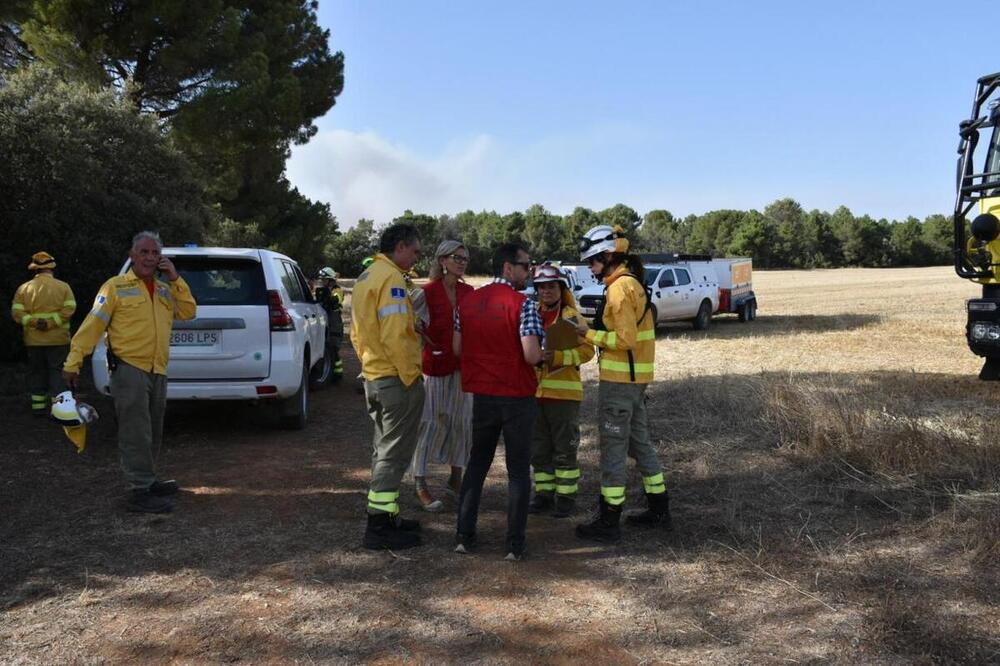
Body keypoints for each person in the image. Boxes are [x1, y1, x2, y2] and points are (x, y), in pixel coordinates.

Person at [62, 232, 197, 513]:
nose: (149, 257)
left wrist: (175, 278)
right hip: (129, 369)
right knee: (135, 432)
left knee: (153, 429)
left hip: (157, 369)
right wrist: (73, 361)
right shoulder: (115, 287)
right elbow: (92, 325)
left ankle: (148, 480)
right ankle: (139, 491)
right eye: (144, 252)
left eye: (154, 253)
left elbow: (188, 312)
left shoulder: (163, 289)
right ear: (132, 255)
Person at [572, 224, 671, 543]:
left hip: (620, 382)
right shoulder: (631, 283)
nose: (590, 267)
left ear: (607, 256)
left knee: (613, 448)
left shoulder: (619, 289)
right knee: (640, 443)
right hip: (635, 380)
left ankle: (609, 519)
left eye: (593, 261)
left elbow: (625, 339)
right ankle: (659, 507)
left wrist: (586, 334)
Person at [454, 242, 543, 561]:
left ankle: (464, 535)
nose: (528, 271)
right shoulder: (524, 304)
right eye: (525, 265)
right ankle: (514, 545)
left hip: (483, 395)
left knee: (477, 463)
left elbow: (457, 349)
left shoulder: (467, 302)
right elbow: (531, 355)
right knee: (518, 470)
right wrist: (547, 354)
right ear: (508, 267)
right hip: (517, 395)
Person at [350, 224, 426, 550]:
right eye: (415, 250)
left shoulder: (367, 277)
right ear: (400, 246)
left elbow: (359, 332)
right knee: (393, 455)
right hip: (395, 379)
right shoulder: (392, 279)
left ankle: (387, 514)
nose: (417, 257)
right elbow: (395, 335)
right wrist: (411, 376)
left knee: (383, 451)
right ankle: (379, 527)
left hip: (375, 375)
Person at [410, 240, 474, 511]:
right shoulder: (426, 293)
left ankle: (456, 480)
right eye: (456, 257)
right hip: (434, 368)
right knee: (430, 423)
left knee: (461, 423)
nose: (461, 262)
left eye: (465, 258)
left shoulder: (470, 292)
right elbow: (412, 329)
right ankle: (420, 484)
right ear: (442, 260)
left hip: (463, 368)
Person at [528, 263, 594, 518]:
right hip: (535, 395)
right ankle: (544, 494)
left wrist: (558, 356)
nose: (547, 291)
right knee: (539, 448)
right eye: (542, 287)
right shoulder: (530, 313)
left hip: (564, 396)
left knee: (565, 448)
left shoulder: (572, 317)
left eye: (552, 286)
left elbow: (588, 351)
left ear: (561, 288)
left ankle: (566, 497)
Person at [11, 251, 76, 415]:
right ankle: (60, 410)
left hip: (33, 341)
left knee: (37, 373)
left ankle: (38, 409)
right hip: (58, 340)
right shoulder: (63, 287)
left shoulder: (24, 288)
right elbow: (70, 309)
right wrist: (51, 322)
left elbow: (17, 313)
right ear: (51, 268)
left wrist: (35, 323)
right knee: (57, 372)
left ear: (34, 270)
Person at [314, 266, 345, 380]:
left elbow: (336, 299)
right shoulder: (323, 290)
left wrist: (329, 298)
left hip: (334, 322)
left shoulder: (337, 290)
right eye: (321, 280)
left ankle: (337, 374)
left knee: (333, 347)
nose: (322, 282)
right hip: (326, 320)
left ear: (330, 279)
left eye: (324, 279)